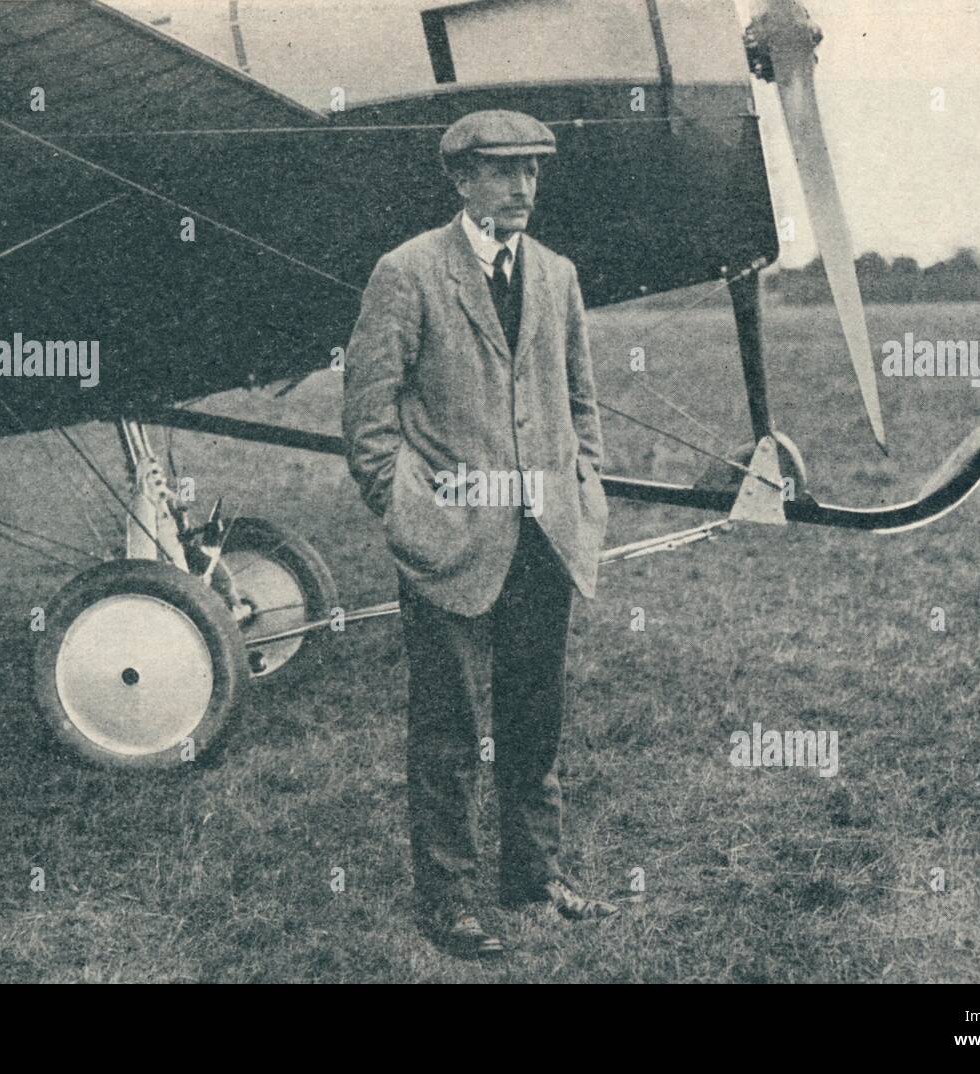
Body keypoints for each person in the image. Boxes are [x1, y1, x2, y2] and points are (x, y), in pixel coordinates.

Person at [342, 109, 616, 958]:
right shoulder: (408, 273)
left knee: (537, 717)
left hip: (546, 538)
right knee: (450, 729)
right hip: (451, 543)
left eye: (533, 171)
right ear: (462, 181)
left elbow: (580, 401)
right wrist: (409, 508)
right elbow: (367, 417)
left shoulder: (558, 274)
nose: (522, 188)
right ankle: (450, 899)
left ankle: (535, 875)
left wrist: (583, 487)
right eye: (503, 172)